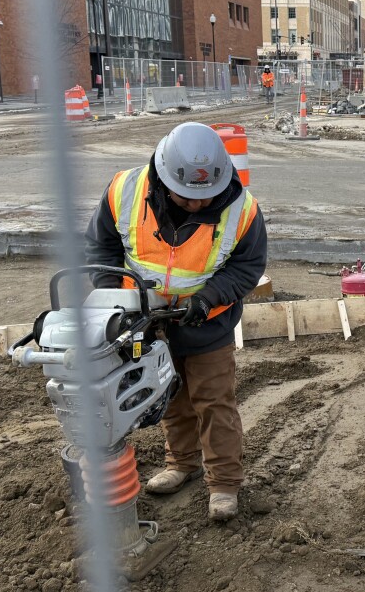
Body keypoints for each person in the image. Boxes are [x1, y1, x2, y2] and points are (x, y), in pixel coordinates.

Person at [85, 122, 267, 521]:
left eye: (206, 197)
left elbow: (248, 267)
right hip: (148, 320)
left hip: (208, 324)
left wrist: (208, 299)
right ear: (164, 179)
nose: (199, 205)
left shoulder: (243, 210)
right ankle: (181, 463)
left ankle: (223, 484)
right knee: (170, 396)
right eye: (188, 198)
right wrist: (118, 296)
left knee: (214, 401)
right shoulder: (124, 191)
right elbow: (101, 246)